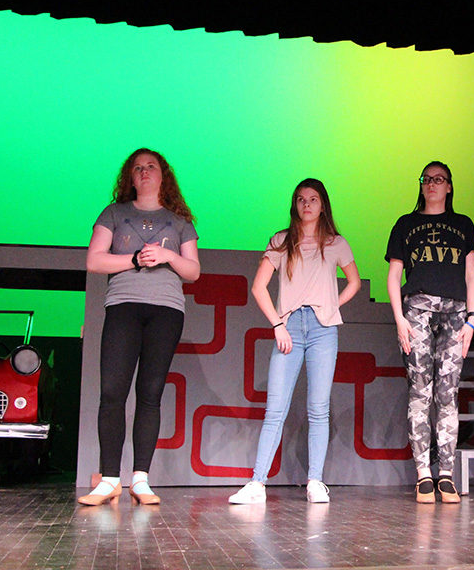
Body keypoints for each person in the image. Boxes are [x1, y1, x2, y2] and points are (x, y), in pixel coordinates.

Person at [78, 148, 200, 506]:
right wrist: (134, 258)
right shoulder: (114, 213)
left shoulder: (179, 222)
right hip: (123, 306)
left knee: (150, 393)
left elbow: (193, 271)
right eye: (138, 168)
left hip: (166, 310)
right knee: (113, 391)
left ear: (164, 175)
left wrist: (169, 256)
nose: (145, 172)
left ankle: (141, 479)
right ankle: (109, 479)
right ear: (129, 178)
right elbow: (94, 261)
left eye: (151, 167)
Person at [229, 178, 360, 504]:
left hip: (322, 329)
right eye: (301, 199)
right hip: (289, 328)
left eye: (313, 199)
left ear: (322, 205)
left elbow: (354, 282)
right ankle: (257, 483)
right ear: (295, 204)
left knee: (318, 408)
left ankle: (315, 480)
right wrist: (277, 324)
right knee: (275, 409)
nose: (306, 205)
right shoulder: (281, 241)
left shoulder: (335, 243)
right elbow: (259, 287)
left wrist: (331, 306)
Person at [385, 161, 474, 504]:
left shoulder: (462, 224)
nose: (432, 184)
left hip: (456, 312)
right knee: (420, 391)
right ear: (421, 185)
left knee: (447, 393)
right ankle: (424, 473)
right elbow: (394, 276)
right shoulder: (406, 224)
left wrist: (472, 319)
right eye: (427, 179)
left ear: (450, 186)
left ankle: (446, 475)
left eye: (439, 179)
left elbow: (471, 275)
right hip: (417, 311)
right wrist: (399, 319)